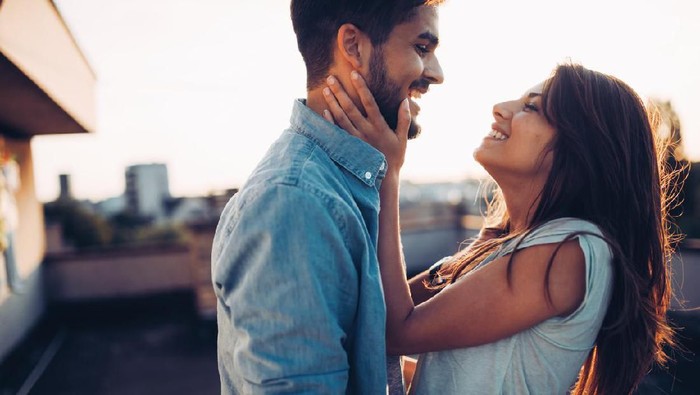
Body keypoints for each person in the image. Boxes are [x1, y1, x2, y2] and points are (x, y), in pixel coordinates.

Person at [321, 62, 678, 394]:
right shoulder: (505, 243)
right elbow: (384, 317)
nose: (500, 107)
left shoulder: (571, 250)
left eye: (532, 107)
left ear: (581, 148)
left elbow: (394, 330)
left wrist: (386, 171)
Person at [210, 0, 445, 393]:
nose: (436, 74)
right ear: (353, 46)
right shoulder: (294, 204)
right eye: (422, 48)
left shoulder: (339, 186)